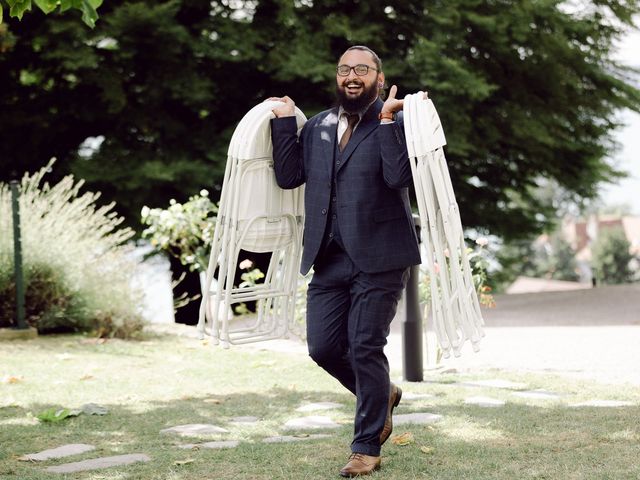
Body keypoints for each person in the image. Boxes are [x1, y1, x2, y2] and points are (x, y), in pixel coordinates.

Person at [269, 45, 421, 477]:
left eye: (361, 69)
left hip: (382, 255)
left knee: (364, 346)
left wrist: (390, 120)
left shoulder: (397, 121)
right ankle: (382, 394)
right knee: (322, 347)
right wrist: (284, 121)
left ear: (378, 75)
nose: (351, 76)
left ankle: (365, 447)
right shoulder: (317, 126)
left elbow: (398, 177)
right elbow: (288, 176)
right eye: (344, 70)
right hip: (329, 256)